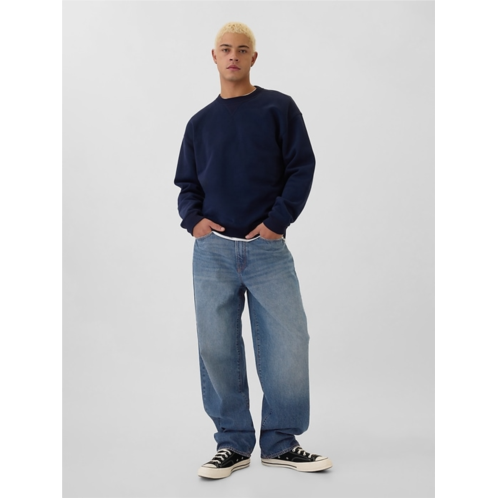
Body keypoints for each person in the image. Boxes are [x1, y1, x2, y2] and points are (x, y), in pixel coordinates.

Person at [174, 22, 332, 480]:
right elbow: (187, 184)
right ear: (214, 56)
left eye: (242, 50)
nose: (233, 56)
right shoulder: (200, 123)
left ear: (253, 58)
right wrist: (194, 221)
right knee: (216, 347)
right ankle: (232, 443)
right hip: (213, 254)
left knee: (289, 343)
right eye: (225, 49)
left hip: (266, 250)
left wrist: (277, 222)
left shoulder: (278, 108)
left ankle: (281, 442)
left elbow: (301, 166)